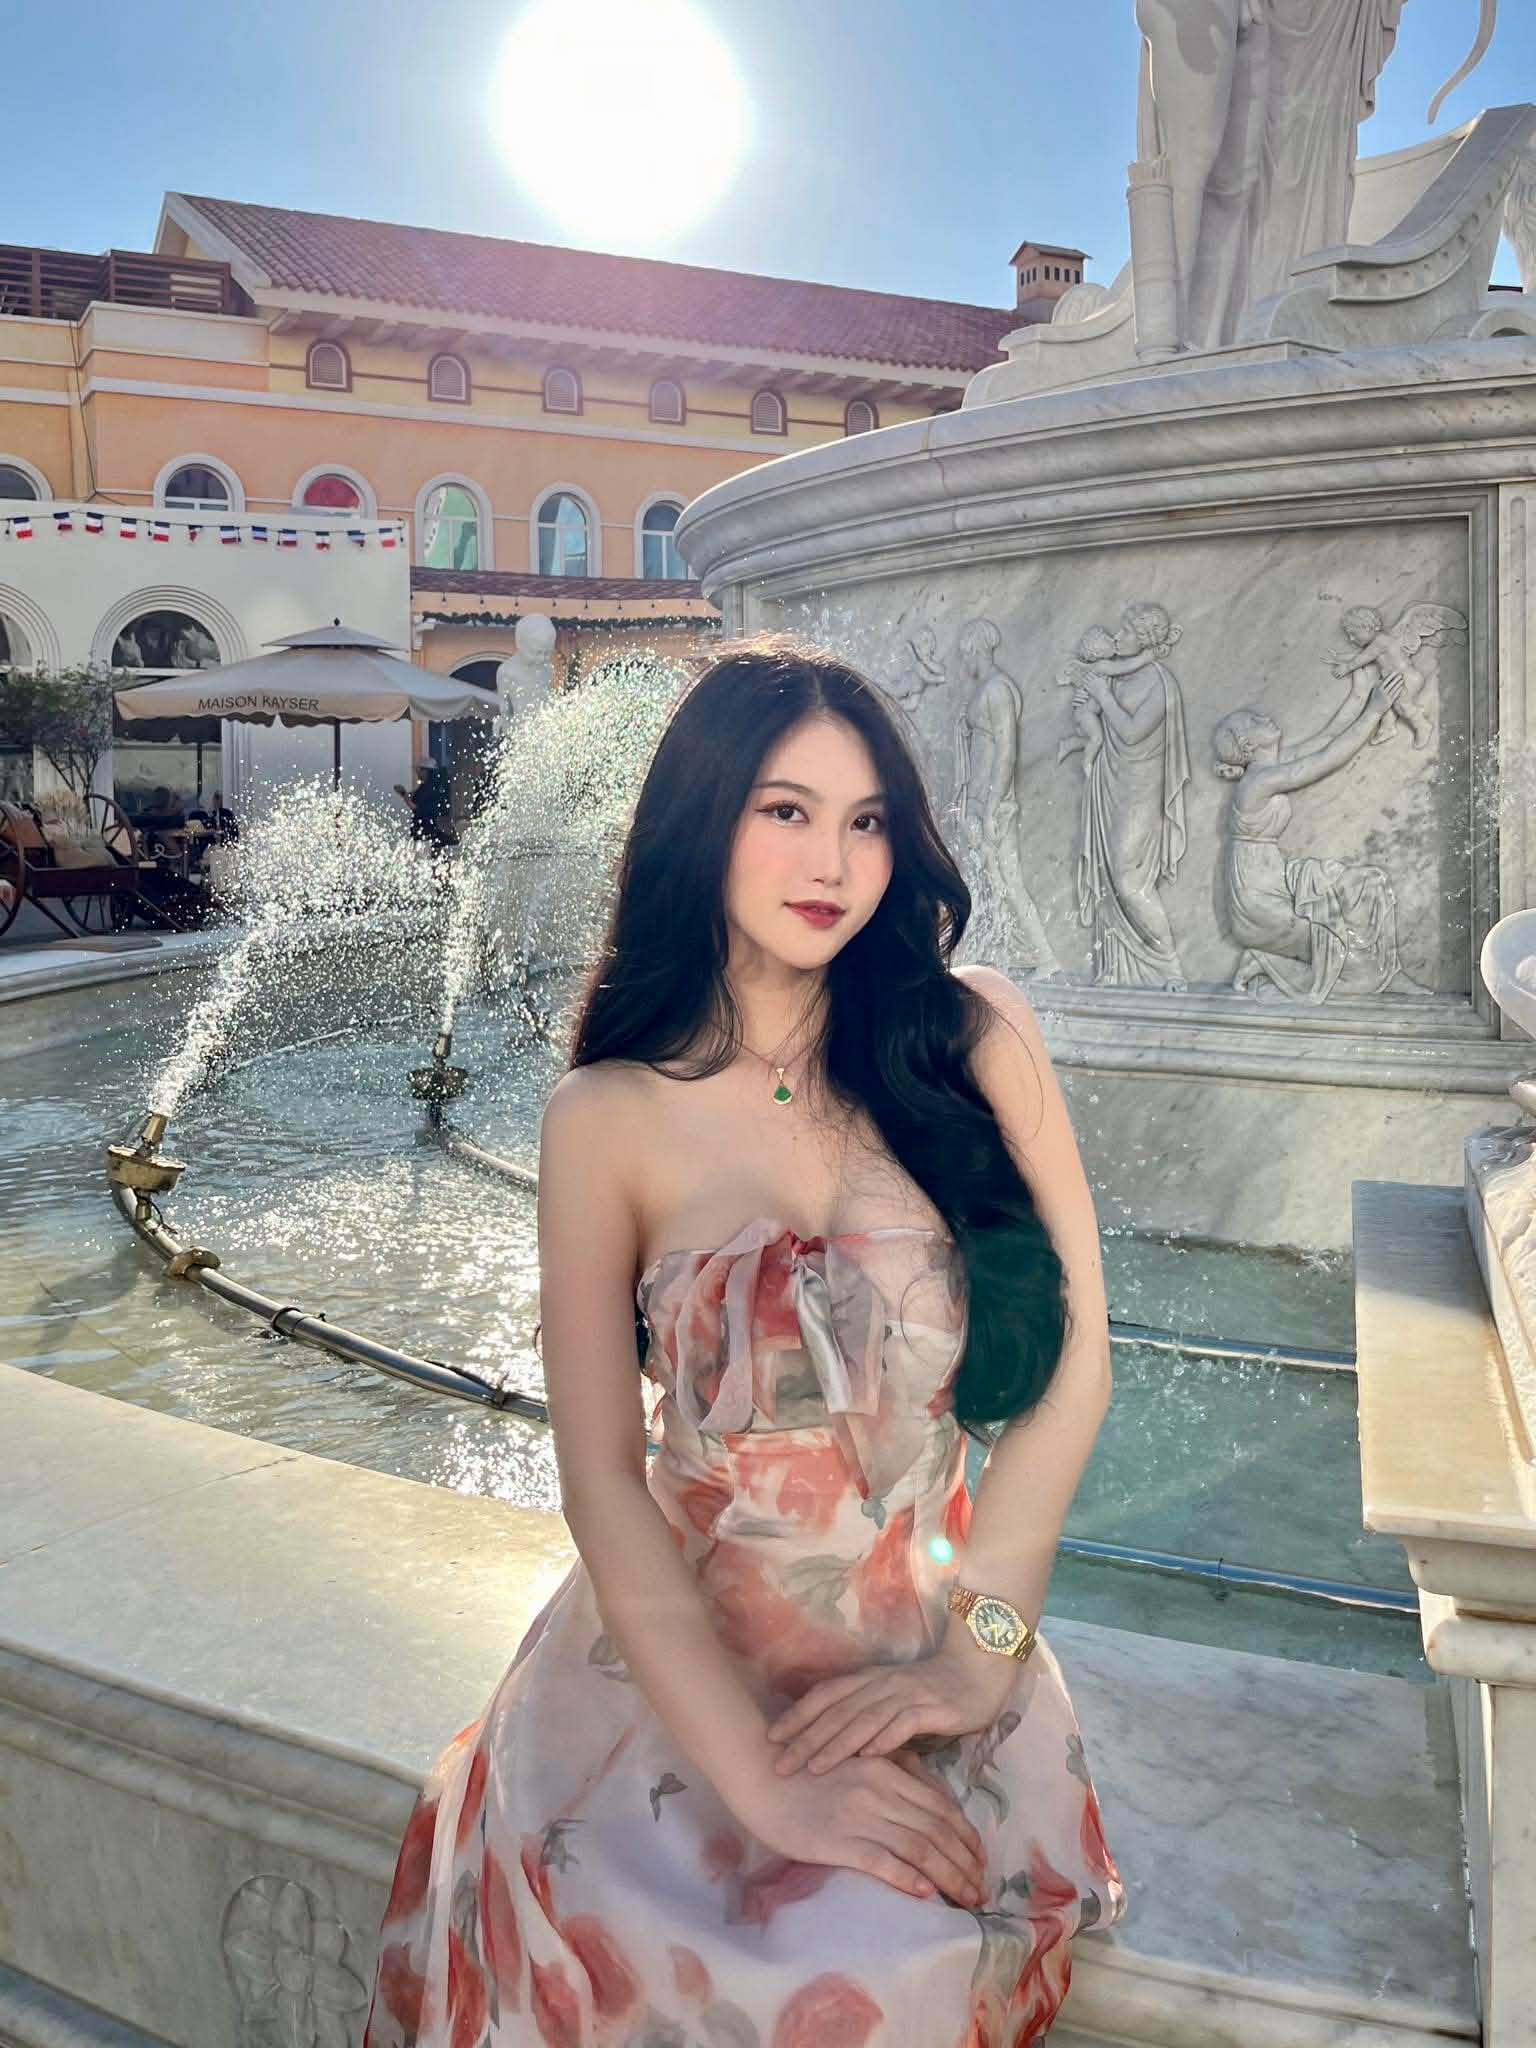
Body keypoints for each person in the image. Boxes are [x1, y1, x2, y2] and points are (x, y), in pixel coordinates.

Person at [362, 640, 1126, 2048]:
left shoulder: (972, 1037)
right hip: (676, 1687)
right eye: (787, 809)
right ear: (702, 818)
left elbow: (1079, 1364)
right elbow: (601, 1475)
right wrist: (763, 1784)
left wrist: (981, 1654)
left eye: (866, 819)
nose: (833, 860)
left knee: (892, 1962)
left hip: (925, 1655)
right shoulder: (607, 1115)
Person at [394, 761, 458, 853]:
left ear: (425, 771)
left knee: (426, 854)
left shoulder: (429, 788)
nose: (417, 773)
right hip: (430, 829)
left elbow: (417, 808)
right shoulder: (431, 786)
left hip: (426, 830)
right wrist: (405, 793)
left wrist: (404, 795)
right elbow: (415, 797)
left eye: (419, 770)